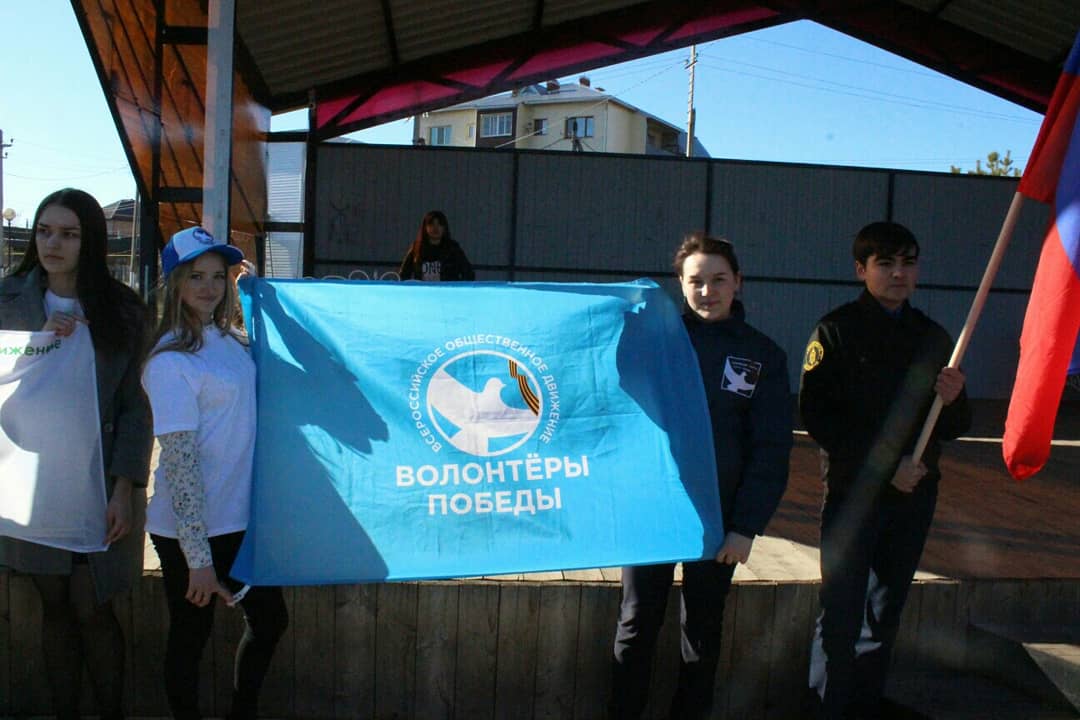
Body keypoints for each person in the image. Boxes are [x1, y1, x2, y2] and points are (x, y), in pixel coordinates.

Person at [610, 232, 793, 719]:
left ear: (738, 282)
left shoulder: (763, 355)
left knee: (702, 634)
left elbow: (771, 449)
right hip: (653, 510)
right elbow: (613, 402)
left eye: (719, 280)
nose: (707, 291)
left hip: (719, 518)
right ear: (680, 284)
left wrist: (745, 526)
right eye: (696, 281)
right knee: (635, 624)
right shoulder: (655, 343)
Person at [800, 221, 971, 719]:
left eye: (908, 263)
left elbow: (953, 426)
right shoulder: (835, 331)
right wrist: (883, 468)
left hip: (913, 496)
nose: (899, 274)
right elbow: (819, 418)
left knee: (883, 614)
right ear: (861, 269)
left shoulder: (934, 338)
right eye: (886, 264)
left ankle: (863, 707)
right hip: (854, 496)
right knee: (840, 611)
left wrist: (954, 398)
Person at [0, 188, 152, 719]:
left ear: (91, 241)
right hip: (32, 487)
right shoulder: (6, 299)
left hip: (100, 486)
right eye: (44, 231)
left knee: (94, 609)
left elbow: (135, 407)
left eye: (68, 234)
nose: (53, 244)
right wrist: (36, 344)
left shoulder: (123, 311)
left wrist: (125, 487)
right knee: (56, 608)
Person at [142, 226, 288, 720]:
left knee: (270, 621)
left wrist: (254, 289)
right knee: (192, 632)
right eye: (196, 276)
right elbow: (180, 464)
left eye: (218, 276)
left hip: (237, 518)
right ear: (175, 283)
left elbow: (269, 347)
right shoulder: (169, 361)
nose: (209, 287)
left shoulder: (228, 339)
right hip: (190, 528)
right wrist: (198, 558)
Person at [398, 210, 475, 281]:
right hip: (423, 290)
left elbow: (469, 273)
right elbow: (403, 274)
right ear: (425, 228)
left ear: (444, 227)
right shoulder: (416, 247)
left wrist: (455, 288)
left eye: (439, 224)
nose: (435, 228)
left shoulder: (453, 248)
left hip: (446, 290)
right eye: (431, 224)